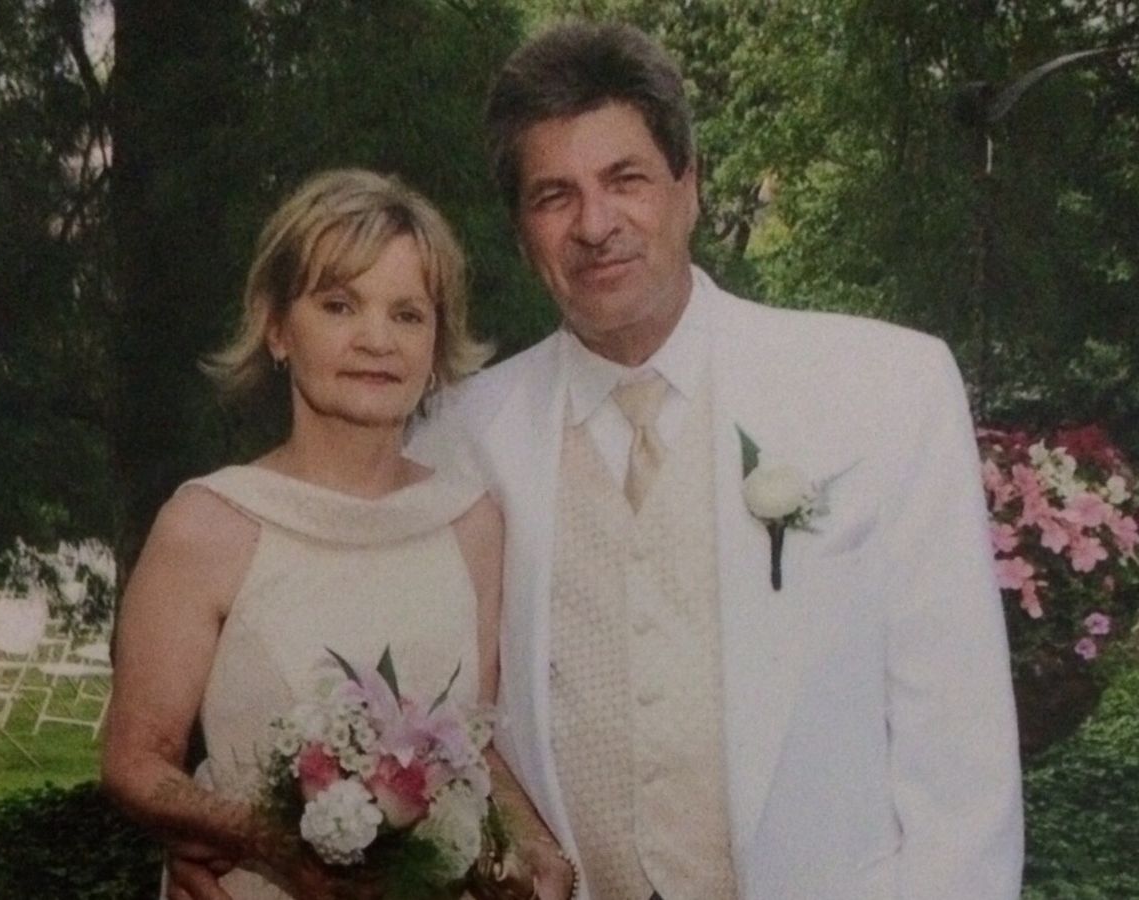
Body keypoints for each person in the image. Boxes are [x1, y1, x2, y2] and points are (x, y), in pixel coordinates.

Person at [408, 21, 1024, 900]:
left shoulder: (885, 389)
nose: (596, 225)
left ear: (690, 185)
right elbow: (438, 712)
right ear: (519, 230)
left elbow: (960, 750)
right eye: (554, 196)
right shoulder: (457, 437)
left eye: (626, 180)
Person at [102, 169, 573, 900]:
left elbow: (470, 746)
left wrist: (534, 847)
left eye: (408, 314)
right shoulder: (208, 523)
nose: (376, 340)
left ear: (436, 344)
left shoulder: (471, 524)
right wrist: (273, 846)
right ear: (277, 328)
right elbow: (136, 761)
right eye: (339, 305)